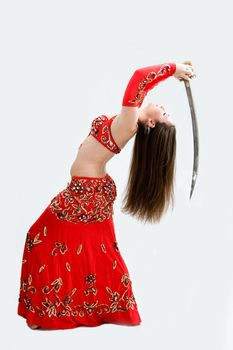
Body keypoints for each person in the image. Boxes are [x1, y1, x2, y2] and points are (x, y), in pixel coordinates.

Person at [17, 61, 195, 330]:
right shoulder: (133, 119)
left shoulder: (128, 123)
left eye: (164, 113)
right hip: (92, 188)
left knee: (39, 237)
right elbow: (144, 85)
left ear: (150, 122)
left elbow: (138, 79)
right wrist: (174, 74)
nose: (161, 106)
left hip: (85, 191)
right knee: (98, 251)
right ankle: (98, 306)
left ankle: (53, 311)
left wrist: (173, 69)